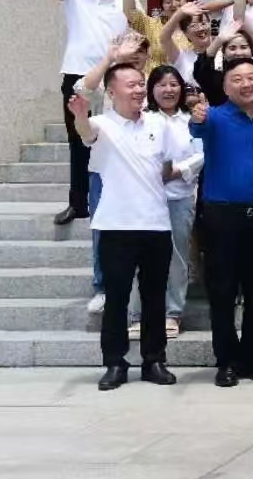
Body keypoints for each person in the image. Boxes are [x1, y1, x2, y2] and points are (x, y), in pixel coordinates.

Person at [71, 61, 192, 389]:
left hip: (156, 224)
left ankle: (154, 360)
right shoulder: (102, 124)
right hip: (115, 226)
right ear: (112, 92)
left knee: (154, 297)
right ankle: (115, 362)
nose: (139, 89)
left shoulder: (158, 123)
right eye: (131, 85)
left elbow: (171, 163)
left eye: (141, 83)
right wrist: (80, 114)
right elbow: (85, 132)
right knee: (117, 298)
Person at [192, 55, 253, 387]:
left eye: (251, 77)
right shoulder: (213, 117)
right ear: (226, 87)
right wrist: (198, 115)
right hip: (222, 217)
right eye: (237, 79)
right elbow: (197, 126)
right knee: (223, 292)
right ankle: (227, 361)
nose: (246, 84)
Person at [42, 0, 129, 226]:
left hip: (117, 77)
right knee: (77, 140)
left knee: (118, 138)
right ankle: (78, 204)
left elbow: (139, 30)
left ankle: (117, 200)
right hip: (78, 76)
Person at [126, 65, 201, 342]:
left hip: (179, 197)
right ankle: (138, 315)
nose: (168, 90)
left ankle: (173, 313)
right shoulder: (142, 119)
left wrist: (178, 171)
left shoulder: (190, 120)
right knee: (140, 258)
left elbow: (201, 153)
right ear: (151, 89)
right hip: (146, 198)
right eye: (161, 84)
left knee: (177, 258)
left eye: (173, 84)